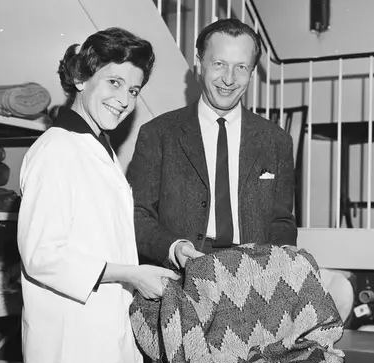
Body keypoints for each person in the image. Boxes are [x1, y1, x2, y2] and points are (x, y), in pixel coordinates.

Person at [17, 27, 177, 363]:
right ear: (81, 78)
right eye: (114, 82)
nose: (124, 99)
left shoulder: (97, 148)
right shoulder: (57, 149)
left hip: (105, 352)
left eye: (134, 89)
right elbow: (42, 254)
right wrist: (131, 274)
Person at [127, 18, 297, 270]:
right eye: (219, 64)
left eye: (241, 67)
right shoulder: (158, 134)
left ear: (252, 73)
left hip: (256, 270)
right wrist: (174, 248)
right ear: (199, 64)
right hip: (182, 269)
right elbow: (137, 214)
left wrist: (284, 252)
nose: (229, 79)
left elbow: (281, 219)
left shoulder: (277, 140)